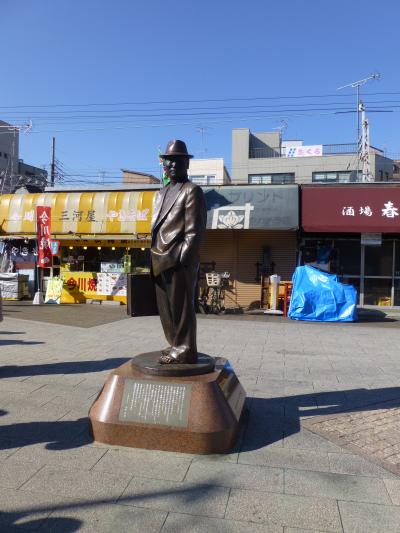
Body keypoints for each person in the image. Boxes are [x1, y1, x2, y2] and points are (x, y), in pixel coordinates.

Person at [151, 140, 207, 364]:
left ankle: (185, 348)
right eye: (168, 161)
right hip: (159, 257)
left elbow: (195, 230)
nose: (172, 165)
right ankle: (175, 343)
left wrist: (184, 257)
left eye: (177, 161)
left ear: (186, 164)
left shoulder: (192, 191)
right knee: (166, 309)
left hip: (178, 260)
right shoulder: (160, 193)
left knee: (182, 308)